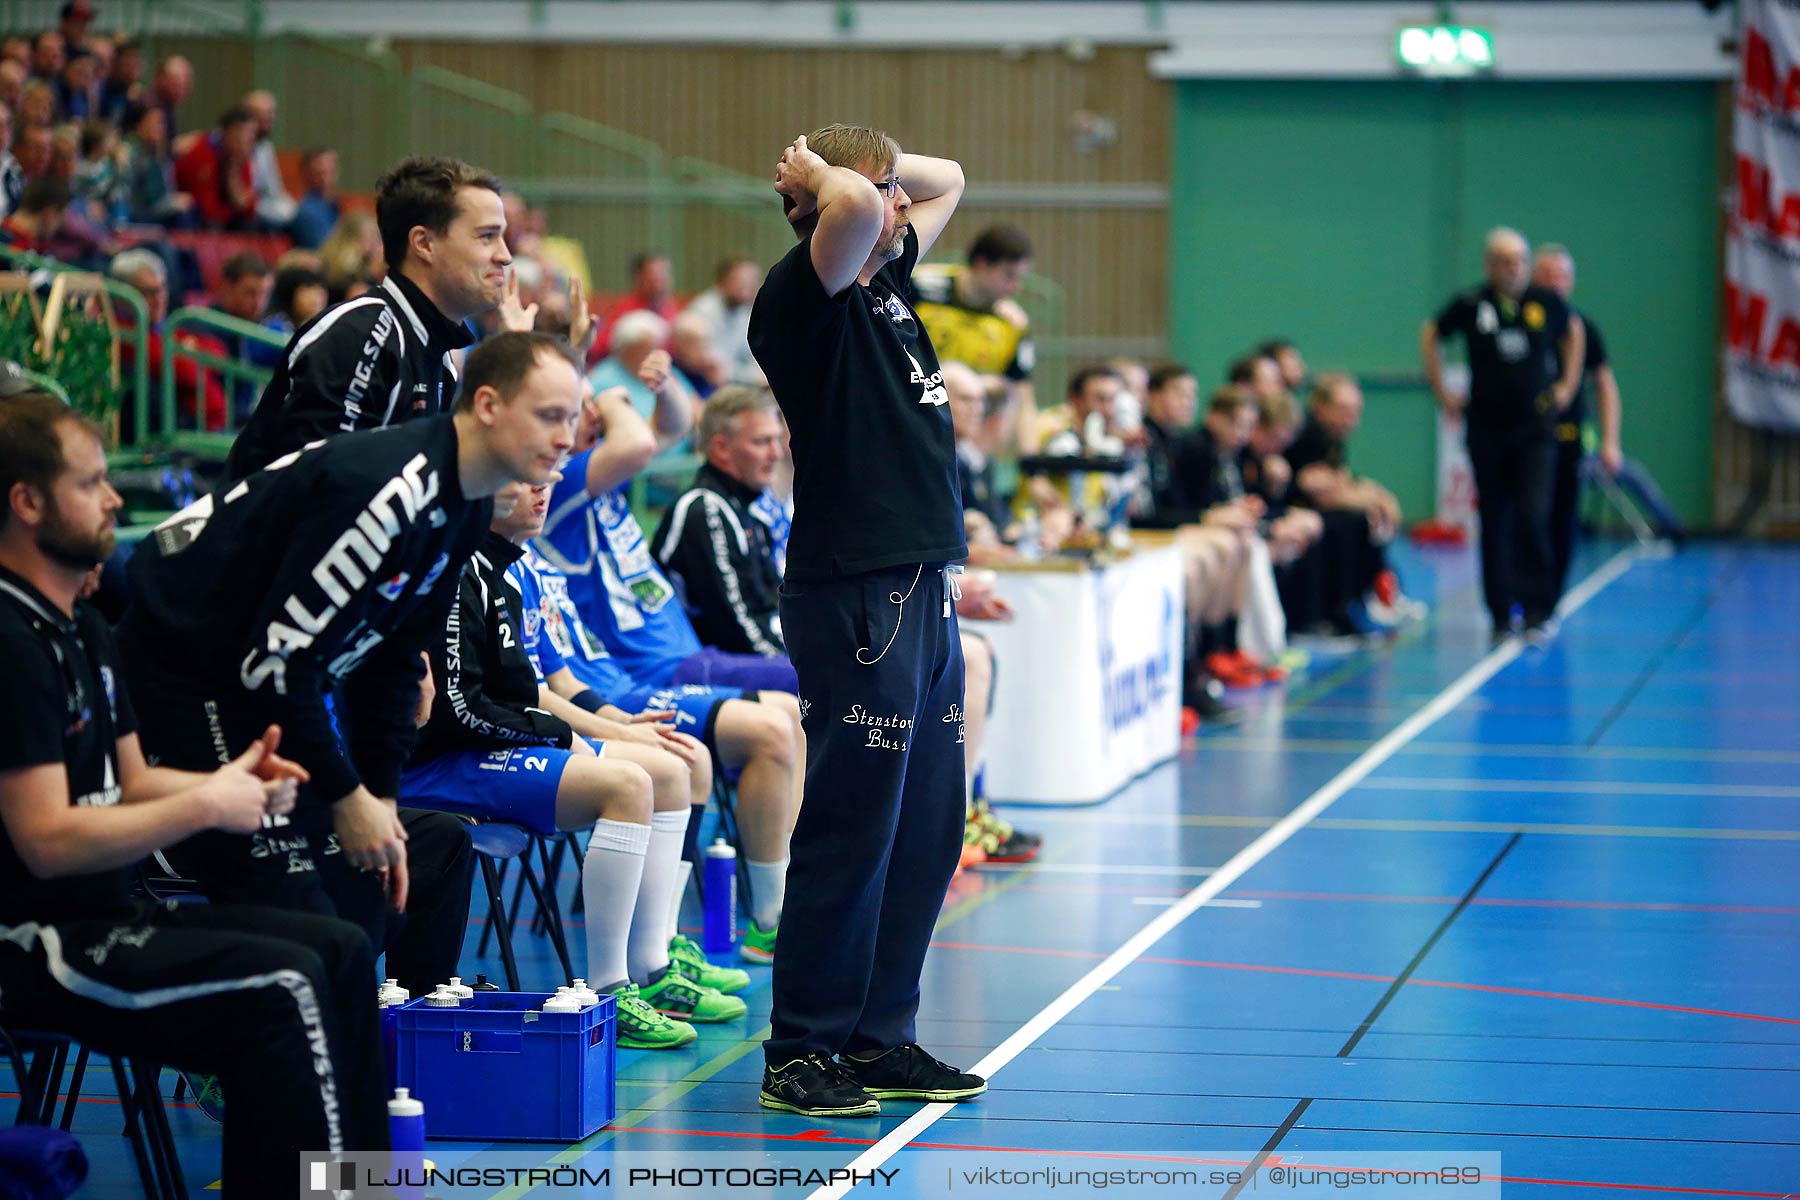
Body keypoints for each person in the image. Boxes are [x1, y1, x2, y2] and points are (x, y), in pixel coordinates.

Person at [0, 389, 391, 1196]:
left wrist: (233, 781)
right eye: (90, 483)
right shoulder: (8, 641)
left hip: (110, 915)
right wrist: (208, 806)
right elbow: (43, 839)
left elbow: (134, 780)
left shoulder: (83, 624)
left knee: (343, 950)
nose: (114, 499)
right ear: (27, 502)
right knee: (286, 991)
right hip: (35, 942)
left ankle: (365, 1186)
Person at [114, 331, 578, 994]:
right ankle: (233, 1049)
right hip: (186, 658)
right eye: (550, 415)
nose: (566, 437)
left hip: (265, 670)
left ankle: (397, 1060)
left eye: (571, 416)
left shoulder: (469, 508)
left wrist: (380, 797)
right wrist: (346, 794)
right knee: (302, 912)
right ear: (487, 405)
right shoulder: (391, 494)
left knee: (384, 883)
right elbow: (276, 665)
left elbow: (396, 663)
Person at [747, 123, 986, 1117]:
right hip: (857, 591)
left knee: (927, 829)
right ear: (815, 200)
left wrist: (878, 160)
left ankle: (882, 1038)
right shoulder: (811, 291)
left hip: (922, 583)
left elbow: (953, 174)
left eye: (894, 194)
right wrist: (831, 179)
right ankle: (802, 1050)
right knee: (852, 828)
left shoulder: (888, 277)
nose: (897, 207)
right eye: (875, 193)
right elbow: (852, 210)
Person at [404, 478, 746, 1048]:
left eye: (547, 478)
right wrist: (561, 735)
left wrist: (578, 730)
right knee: (628, 785)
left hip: (478, 747)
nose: (545, 488)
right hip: (438, 765)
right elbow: (459, 711)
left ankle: (654, 965)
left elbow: (527, 690)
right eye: (525, 478)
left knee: (668, 767)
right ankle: (613, 988)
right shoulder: (458, 572)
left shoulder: (500, 573)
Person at [225, 155, 521, 481]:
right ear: (424, 244)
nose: (504, 255)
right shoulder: (359, 335)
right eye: (487, 236)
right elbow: (320, 493)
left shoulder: (437, 355)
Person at [1422, 226, 1583, 640]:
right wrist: (1442, 390)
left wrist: (1566, 384)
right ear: (1490, 265)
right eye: (1504, 261)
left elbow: (1574, 333)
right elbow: (1431, 334)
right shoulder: (1472, 303)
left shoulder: (1544, 303)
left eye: (1519, 261)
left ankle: (1538, 607)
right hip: (1488, 429)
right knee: (1494, 519)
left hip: (1536, 430)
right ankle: (1498, 611)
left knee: (1533, 514)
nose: (1513, 269)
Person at [652, 385, 786, 658]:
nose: (776, 453)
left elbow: (774, 602)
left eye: (777, 440)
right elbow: (736, 629)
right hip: (703, 663)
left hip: (739, 658)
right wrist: (792, 667)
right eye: (762, 442)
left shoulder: (750, 507)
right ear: (722, 448)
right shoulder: (704, 510)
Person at [914, 224, 1037, 453]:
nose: (1015, 287)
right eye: (1009, 275)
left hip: (967, 443)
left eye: (1020, 278)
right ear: (981, 263)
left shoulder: (1013, 324)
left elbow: (1020, 395)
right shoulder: (918, 288)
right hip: (910, 419)